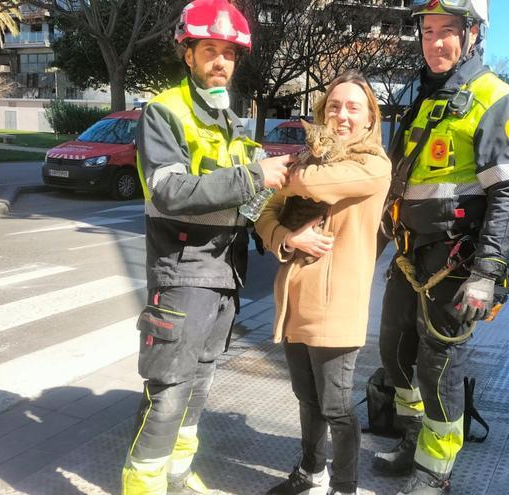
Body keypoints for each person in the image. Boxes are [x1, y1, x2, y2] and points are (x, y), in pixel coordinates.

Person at [121, 1, 292, 493]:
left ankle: (177, 475)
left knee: (199, 382)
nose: (221, 62)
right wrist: (254, 175)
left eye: (229, 54)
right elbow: (169, 191)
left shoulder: (232, 121)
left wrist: (284, 198)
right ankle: (144, 484)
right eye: (210, 51)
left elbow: (251, 199)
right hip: (182, 270)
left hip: (224, 271)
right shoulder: (164, 111)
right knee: (170, 387)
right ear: (188, 54)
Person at [375, 0, 509, 493]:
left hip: (456, 261)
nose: (435, 42)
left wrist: (486, 273)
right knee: (394, 350)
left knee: (439, 364)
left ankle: (434, 470)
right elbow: (399, 183)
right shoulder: (427, 95)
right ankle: (412, 435)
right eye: (427, 32)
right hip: (408, 252)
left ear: (471, 36)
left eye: (447, 31)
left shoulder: (494, 98)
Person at [255, 71, 391, 495]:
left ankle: (344, 486)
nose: (342, 115)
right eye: (333, 106)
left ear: (370, 119)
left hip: (337, 306)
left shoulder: (373, 166)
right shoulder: (309, 157)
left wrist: (275, 171)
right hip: (294, 302)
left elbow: (312, 183)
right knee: (308, 399)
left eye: (353, 107)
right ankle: (311, 472)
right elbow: (263, 211)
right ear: (321, 113)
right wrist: (286, 237)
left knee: (336, 405)